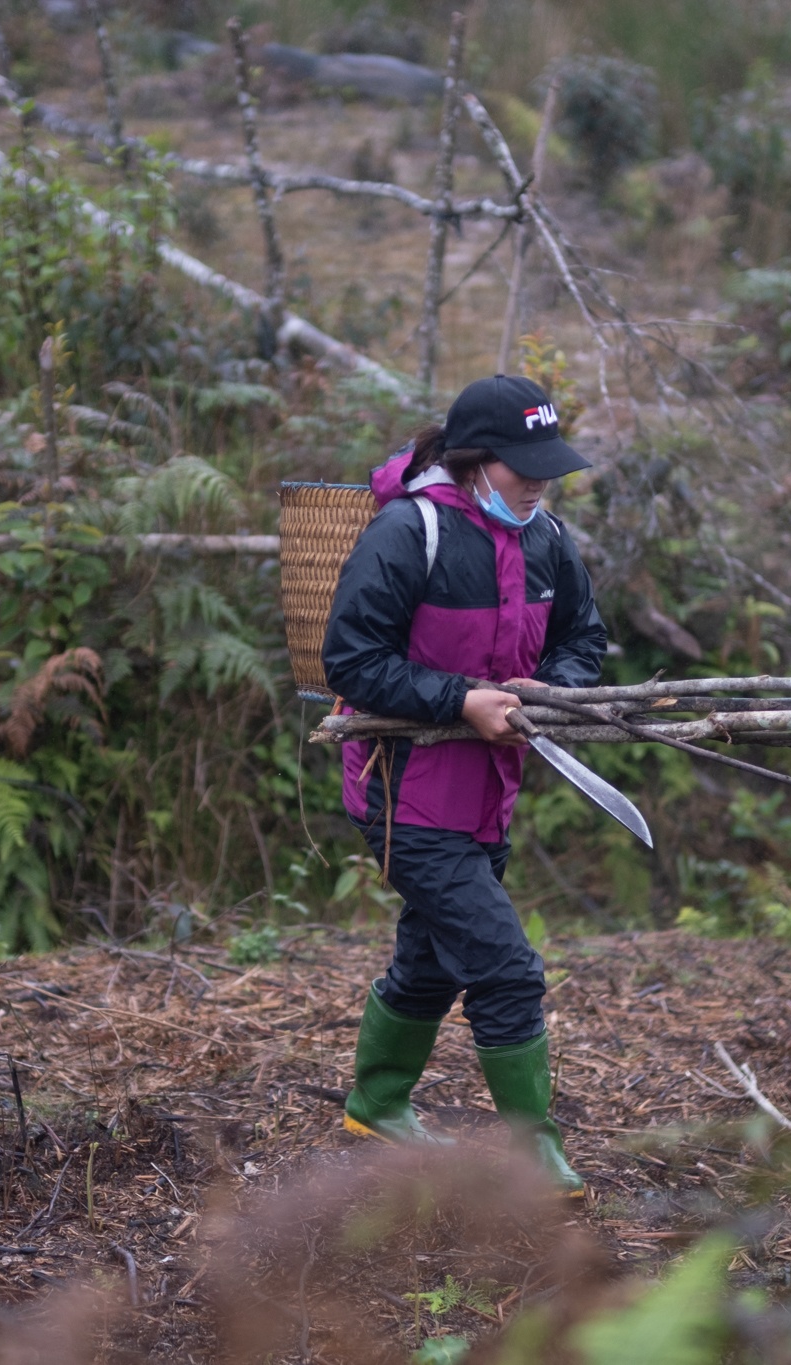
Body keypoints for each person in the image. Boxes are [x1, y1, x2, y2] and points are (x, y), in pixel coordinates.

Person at [321, 374, 606, 1195]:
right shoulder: (409, 534)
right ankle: (533, 1154)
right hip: (403, 795)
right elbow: (353, 661)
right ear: (477, 463)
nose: (540, 484)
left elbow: (584, 638)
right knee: (506, 968)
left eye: (548, 469)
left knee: (436, 957)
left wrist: (548, 689)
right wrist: (459, 699)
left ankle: (376, 1102)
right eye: (525, 470)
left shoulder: (547, 538)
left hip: (490, 793)